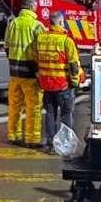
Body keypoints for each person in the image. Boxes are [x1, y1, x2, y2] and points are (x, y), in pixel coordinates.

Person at [36, 11, 81, 152]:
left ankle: (50, 144)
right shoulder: (66, 41)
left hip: (47, 85)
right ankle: (64, 144)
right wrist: (74, 82)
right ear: (61, 23)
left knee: (50, 114)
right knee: (66, 115)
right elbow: (74, 65)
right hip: (63, 85)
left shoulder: (40, 38)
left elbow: (36, 58)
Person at [4, 0, 45, 147]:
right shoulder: (37, 26)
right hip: (30, 73)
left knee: (15, 105)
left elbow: (7, 46)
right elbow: (41, 51)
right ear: (33, 8)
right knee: (33, 107)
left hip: (14, 73)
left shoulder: (12, 23)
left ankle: (13, 135)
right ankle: (32, 139)